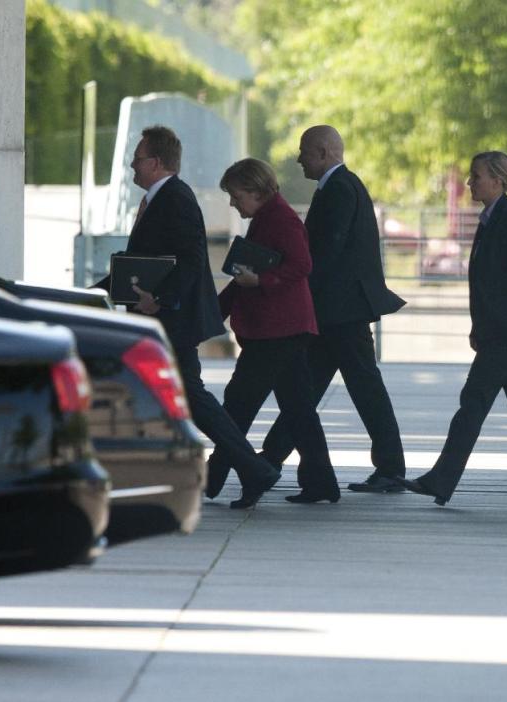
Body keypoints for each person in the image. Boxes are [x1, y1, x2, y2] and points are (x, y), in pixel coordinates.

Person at [96, 126, 280, 509]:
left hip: (172, 321)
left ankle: (252, 467)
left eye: (138, 158)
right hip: (163, 319)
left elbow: (191, 260)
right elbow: (140, 263)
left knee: (191, 398)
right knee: (171, 397)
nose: (132, 165)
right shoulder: (160, 199)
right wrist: (95, 291)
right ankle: (242, 468)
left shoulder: (175, 199)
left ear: (157, 162)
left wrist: (158, 299)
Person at [398, 151, 507, 509]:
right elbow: (485, 282)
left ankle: (440, 479)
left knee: (473, 401)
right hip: (499, 330)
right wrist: (478, 327)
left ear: (497, 180)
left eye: (476, 176)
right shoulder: (492, 218)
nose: (469, 182)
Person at [259, 125, 407, 493]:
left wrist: (293, 281)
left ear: (324, 153)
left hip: (341, 311)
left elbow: (325, 252)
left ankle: (391, 468)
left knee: (359, 387)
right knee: (307, 387)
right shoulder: (342, 187)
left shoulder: (339, 189)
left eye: (305, 152)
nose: (298, 159)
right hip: (338, 310)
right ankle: (271, 457)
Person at [205, 158, 340, 503]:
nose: (233, 203)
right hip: (286, 329)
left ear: (256, 191)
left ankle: (230, 475)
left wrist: (261, 281)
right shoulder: (269, 218)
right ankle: (320, 481)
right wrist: (212, 314)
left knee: (238, 404)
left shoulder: (279, 220)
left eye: (236, 196)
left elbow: (301, 265)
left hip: (276, 331)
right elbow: (243, 279)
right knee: (299, 411)